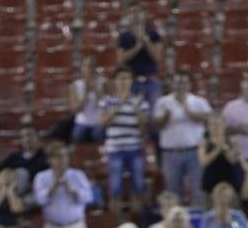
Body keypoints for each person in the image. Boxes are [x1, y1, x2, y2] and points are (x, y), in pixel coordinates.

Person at [154, 71, 212, 208]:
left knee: (198, 190)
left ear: (189, 85)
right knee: (173, 193)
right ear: (172, 84)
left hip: (194, 152)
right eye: (177, 82)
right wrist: (166, 117)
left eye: (183, 82)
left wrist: (191, 114)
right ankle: (175, 223)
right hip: (170, 153)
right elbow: (156, 125)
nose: (180, 86)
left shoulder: (198, 101)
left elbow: (211, 118)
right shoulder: (163, 102)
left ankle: (198, 224)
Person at [99, 66, 149, 217]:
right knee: (114, 190)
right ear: (115, 81)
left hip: (135, 149)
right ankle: (115, 223)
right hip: (114, 150)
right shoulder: (107, 100)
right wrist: (119, 104)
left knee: (138, 188)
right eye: (121, 78)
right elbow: (103, 122)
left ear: (131, 81)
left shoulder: (140, 101)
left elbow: (144, 127)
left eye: (127, 79)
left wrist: (136, 108)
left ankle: (136, 222)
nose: (124, 82)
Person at [117, 2, 163, 113]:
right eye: (132, 12)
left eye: (138, 11)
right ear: (128, 16)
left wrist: (145, 40)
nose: (135, 15)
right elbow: (121, 60)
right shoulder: (124, 36)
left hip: (151, 81)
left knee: (153, 116)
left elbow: (157, 57)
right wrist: (137, 46)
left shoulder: (154, 35)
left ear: (144, 14)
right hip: (131, 82)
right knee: (131, 114)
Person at [0, 124, 49, 208]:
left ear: (38, 138)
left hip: (35, 192)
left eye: (30, 136)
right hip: (14, 191)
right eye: (23, 137)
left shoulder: (46, 157)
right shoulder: (14, 156)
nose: (27, 139)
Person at [197, 114, 242, 200]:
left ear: (224, 126)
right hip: (210, 184)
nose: (216, 127)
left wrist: (223, 147)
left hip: (230, 183)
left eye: (219, 124)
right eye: (213, 124)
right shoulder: (204, 143)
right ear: (208, 127)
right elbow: (203, 162)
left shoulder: (232, 141)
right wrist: (217, 149)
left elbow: (232, 160)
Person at [69, 54, 106, 143]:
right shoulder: (75, 85)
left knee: (98, 135)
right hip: (82, 122)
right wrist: (85, 93)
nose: (89, 70)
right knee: (77, 136)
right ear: (82, 68)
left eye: (92, 67)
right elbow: (75, 110)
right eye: (86, 66)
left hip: (98, 122)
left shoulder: (104, 83)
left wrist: (96, 91)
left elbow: (105, 107)